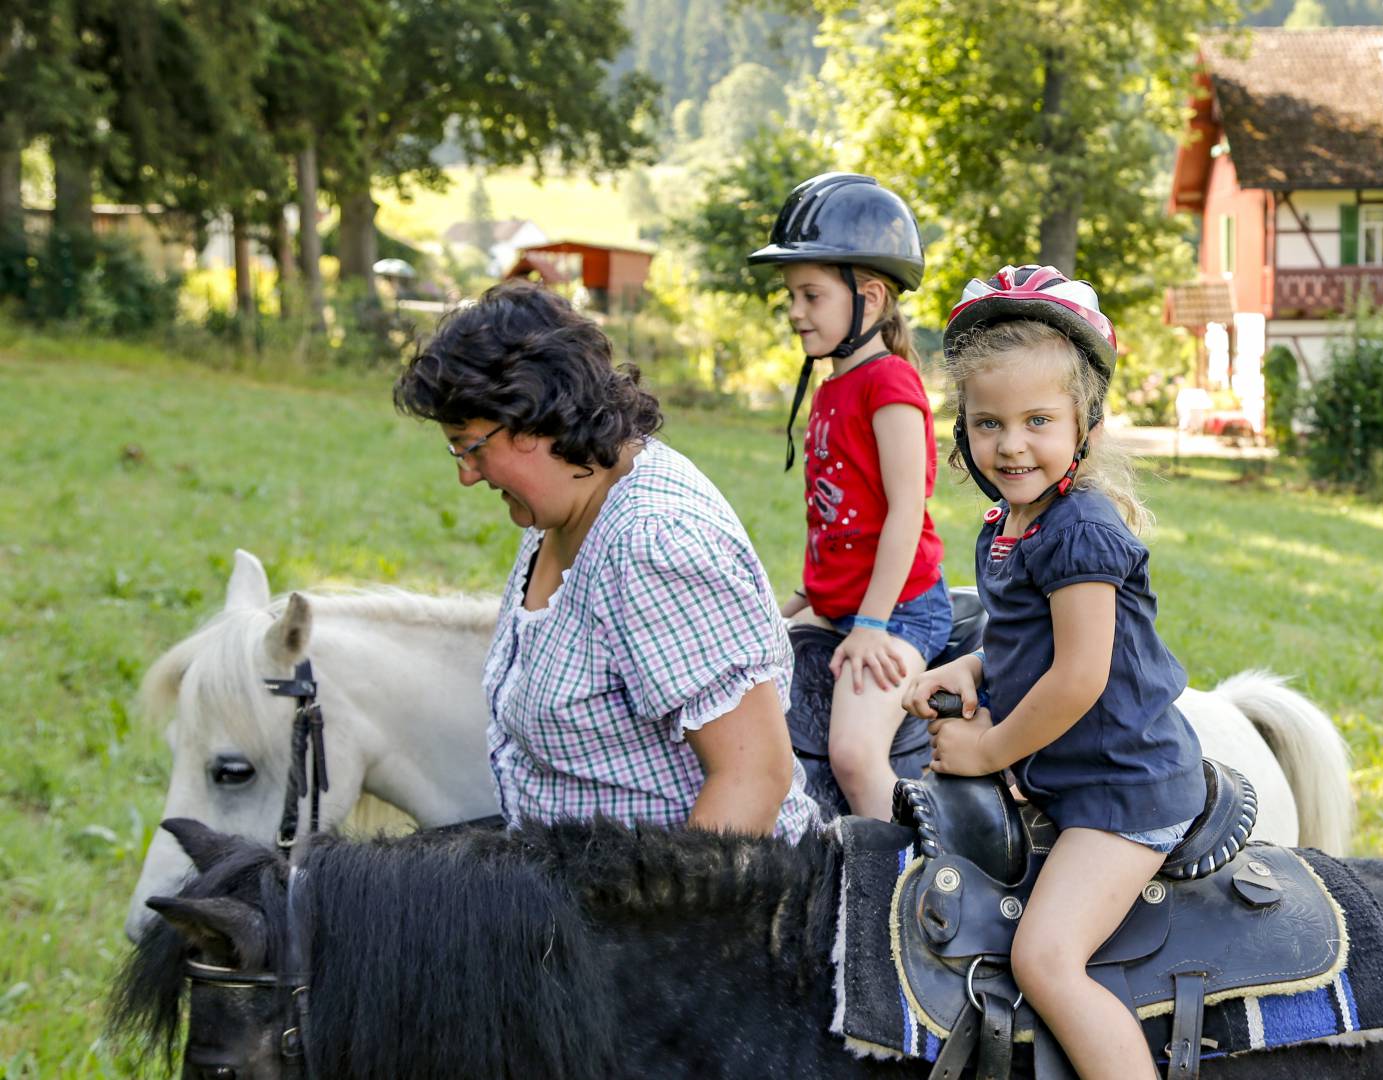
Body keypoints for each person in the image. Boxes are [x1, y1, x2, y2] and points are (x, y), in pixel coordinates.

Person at [903, 266, 1203, 1079]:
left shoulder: (1080, 533)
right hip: (1071, 774)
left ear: (1085, 424)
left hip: (1122, 787)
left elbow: (1079, 677)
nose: (1011, 444)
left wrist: (988, 748)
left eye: (1039, 420)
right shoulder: (1008, 524)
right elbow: (1023, 638)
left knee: (1045, 958)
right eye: (989, 422)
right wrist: (974, 665)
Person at [393, 280, 819, 841]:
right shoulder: (566, 501)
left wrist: (658, 922)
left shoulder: (652, 543)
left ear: (535, 415)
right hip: (578, 895)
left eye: (471, 447)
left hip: (678, 909)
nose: (466, 474)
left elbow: (752, 778)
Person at [747, 172, 950, 818]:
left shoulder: (889, 385)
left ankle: (910, 882)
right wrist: (808, 593)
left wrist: (869, 625)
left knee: (855, 756)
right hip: (840, 604)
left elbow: (903, 514)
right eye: (791, 295)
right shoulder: (833, 386)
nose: (795, 311)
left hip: (897, 610)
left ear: (869, 297)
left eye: (810, 294)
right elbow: (835, 509)